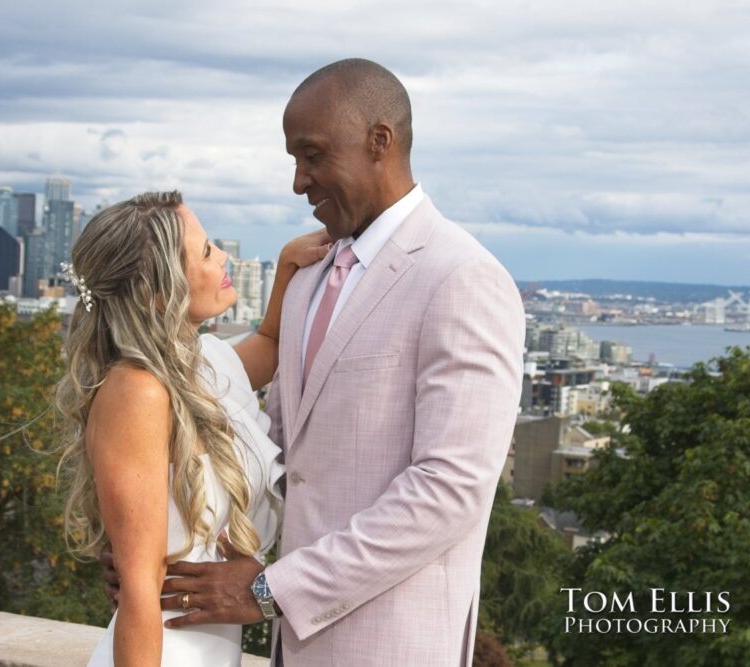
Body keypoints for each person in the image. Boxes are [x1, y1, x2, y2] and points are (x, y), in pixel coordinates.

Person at [157, 59, 526, 666]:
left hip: (395, 646)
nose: (298, 182)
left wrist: (268, 590)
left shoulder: (461, 277)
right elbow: (275, 454)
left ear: (379, 141)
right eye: (293, 161)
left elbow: (450, 490)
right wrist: (163, 548)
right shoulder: (306, 279)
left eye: (312, 155)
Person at [54, 190, 330, 666]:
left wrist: (286, 266)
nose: (222, 255)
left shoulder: (198, 360)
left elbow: (269, 345)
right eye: (205, 251)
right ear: (158, 290)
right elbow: (140, 586)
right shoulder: (135, 392)